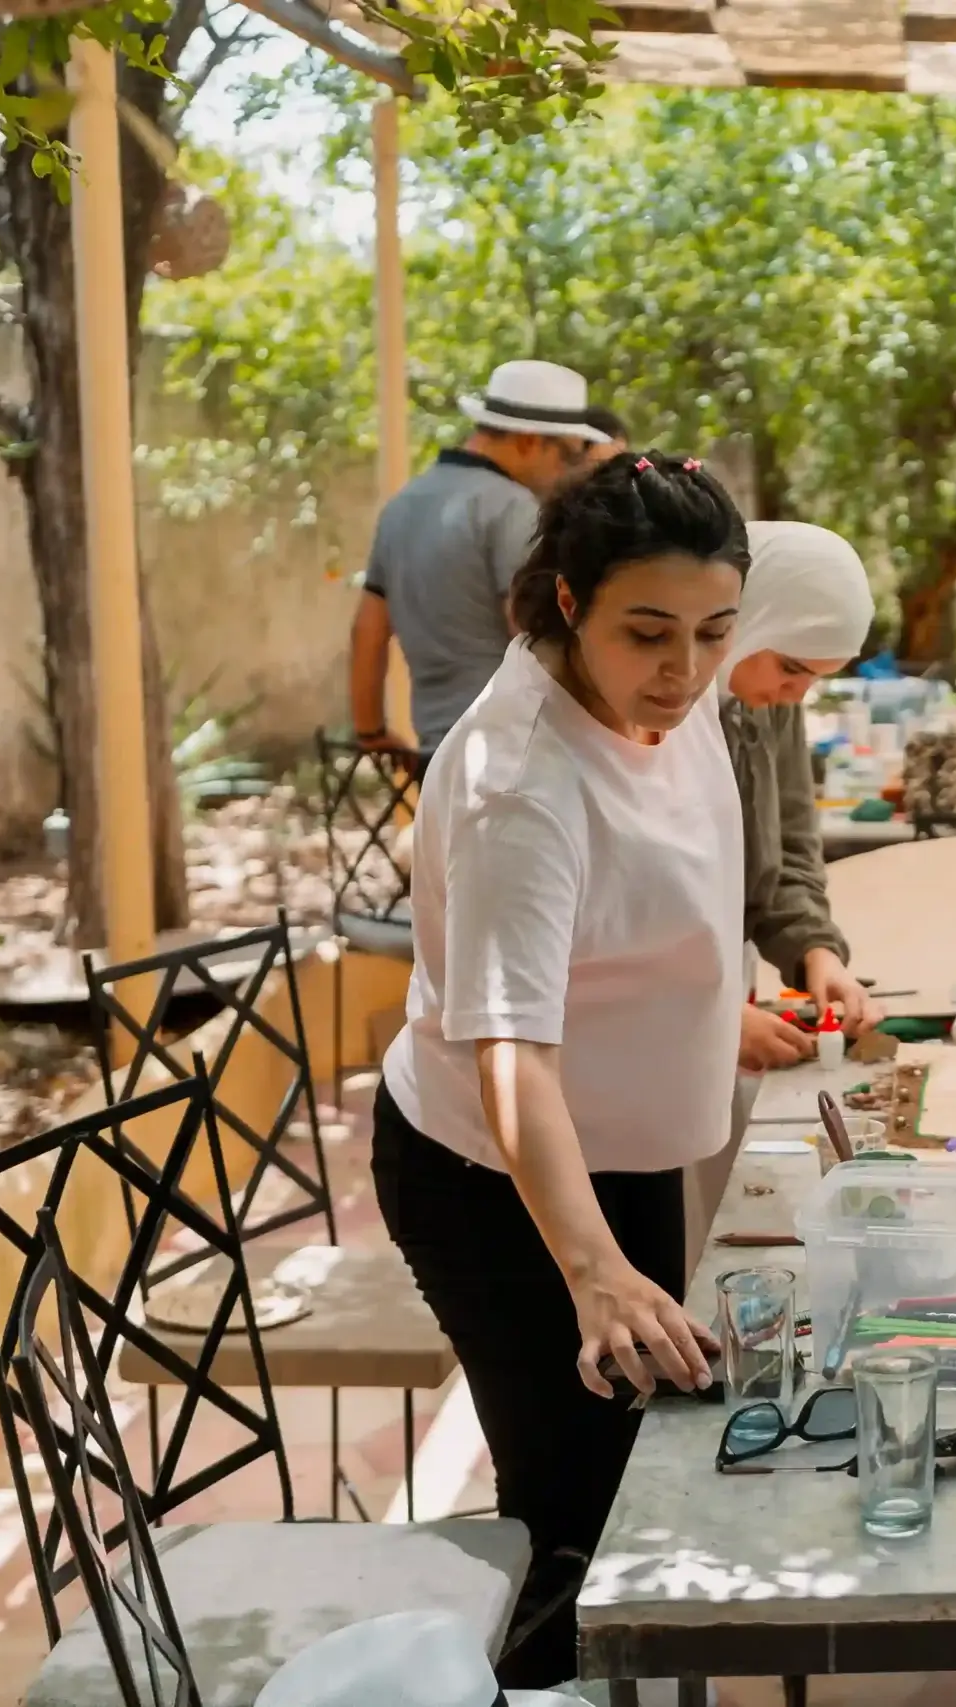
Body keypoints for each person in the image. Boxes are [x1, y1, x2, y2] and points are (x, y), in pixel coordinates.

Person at [371, 451, 748, 1687]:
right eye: (650, 633)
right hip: (502, 1177)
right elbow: (510, 1054)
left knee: (651, 1470)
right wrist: (590, 1272)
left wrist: (718, 1005)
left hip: (615, 1146)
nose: (686, 670)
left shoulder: (666, 681)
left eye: (713, 632)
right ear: (568, 601)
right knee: (575, 1516)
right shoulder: (516, 783)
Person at [691, 521, 885, 1258]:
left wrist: (814, 954)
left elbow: (791, 842)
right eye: (793, 668)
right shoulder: (660, 716)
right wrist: (699, 1015)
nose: (794, 693)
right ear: (748, 621)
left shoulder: (764, 692)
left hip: (711, 997)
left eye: (814, 680)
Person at [349, 360, 612, 756]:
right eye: (570, 455)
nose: (570, 472)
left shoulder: (403, 505)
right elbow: (530, 631)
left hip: (438, 752)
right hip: (513, 751)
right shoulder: (513, 508)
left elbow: (367, 631)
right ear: (528, 441)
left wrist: (371, 733)